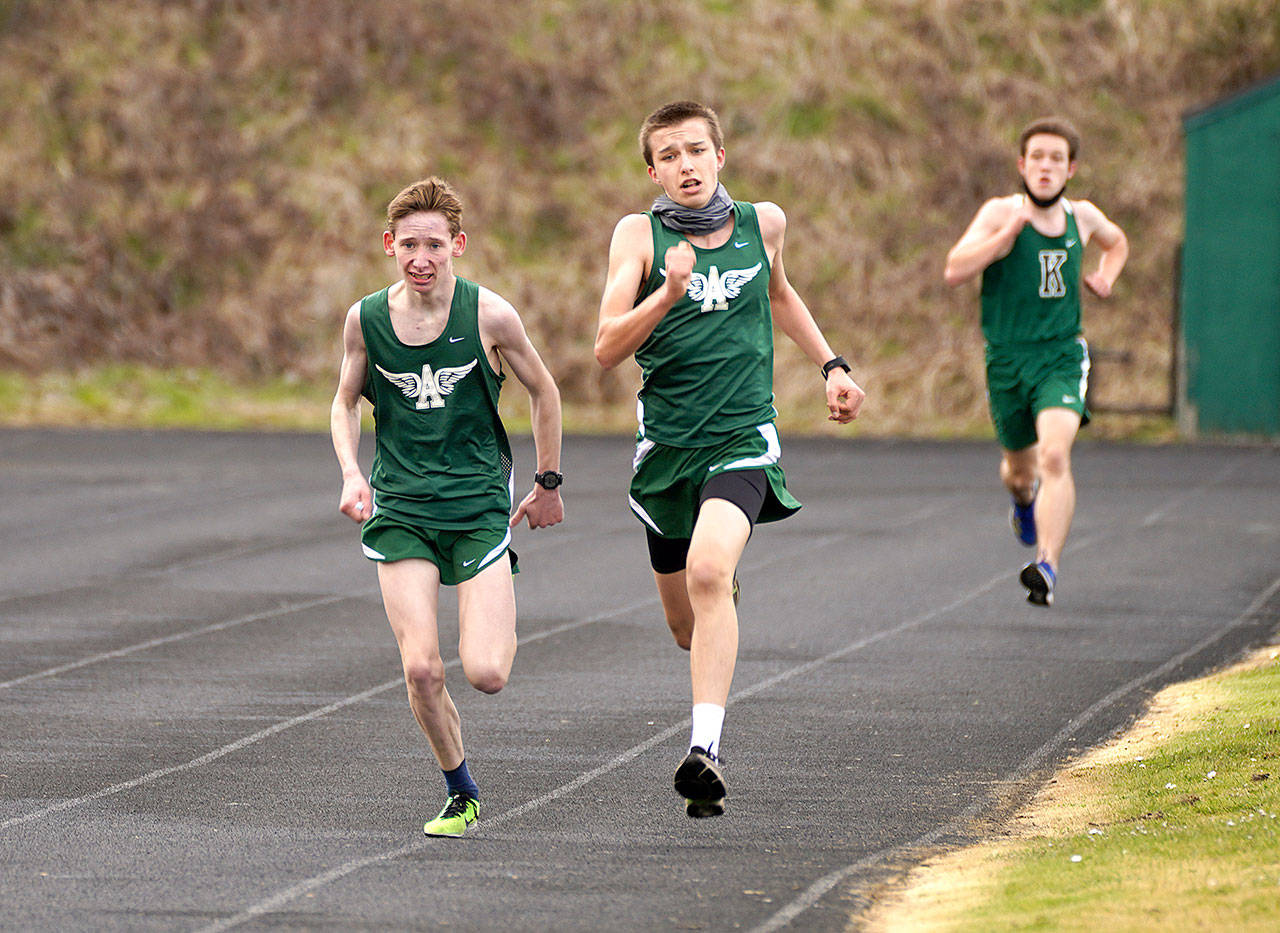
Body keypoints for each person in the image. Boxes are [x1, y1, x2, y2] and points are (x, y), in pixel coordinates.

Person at [594, 100, 866, 818]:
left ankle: (704, 750)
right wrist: (669, 293)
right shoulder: (639, 237)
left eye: (696, 151)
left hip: (743, 435)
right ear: (652, 170)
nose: (686, 165)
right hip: (666, 455)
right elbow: (606, 347)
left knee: (711, 570)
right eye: (670, 156)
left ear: (722, 156)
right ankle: (719, 604)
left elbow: (779, 293)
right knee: (688, 623)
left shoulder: (762, 224)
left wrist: (831, 365)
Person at [331, 177, 564, 837]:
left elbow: (545, 392)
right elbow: (345, 399)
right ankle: (461, 791)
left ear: (457, 245)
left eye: (434, 243)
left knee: (486, 671)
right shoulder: (365, 320)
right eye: (409, 243)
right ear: (389, 245)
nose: (421, 256)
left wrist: (548, 481)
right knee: (422, 667)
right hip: (402, 509)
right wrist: (352, 473)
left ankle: (496, 611)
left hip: (478, 508)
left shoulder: (490, 315)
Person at [943, 117, 1128, 607]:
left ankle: (1046, 565)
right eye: (1038, 157)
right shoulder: (999, 212)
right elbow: (954, 270)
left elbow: (1117, 241)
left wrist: (1106, 275)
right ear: (1022, 165)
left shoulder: (1082, 216)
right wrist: (1004, 239)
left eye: (1057, 159)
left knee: (1054, 456)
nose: (1046, 167)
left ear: (1071, 169)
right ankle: (1023, 501)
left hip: (1061, 357)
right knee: (1019, 471)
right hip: (1007, 360)